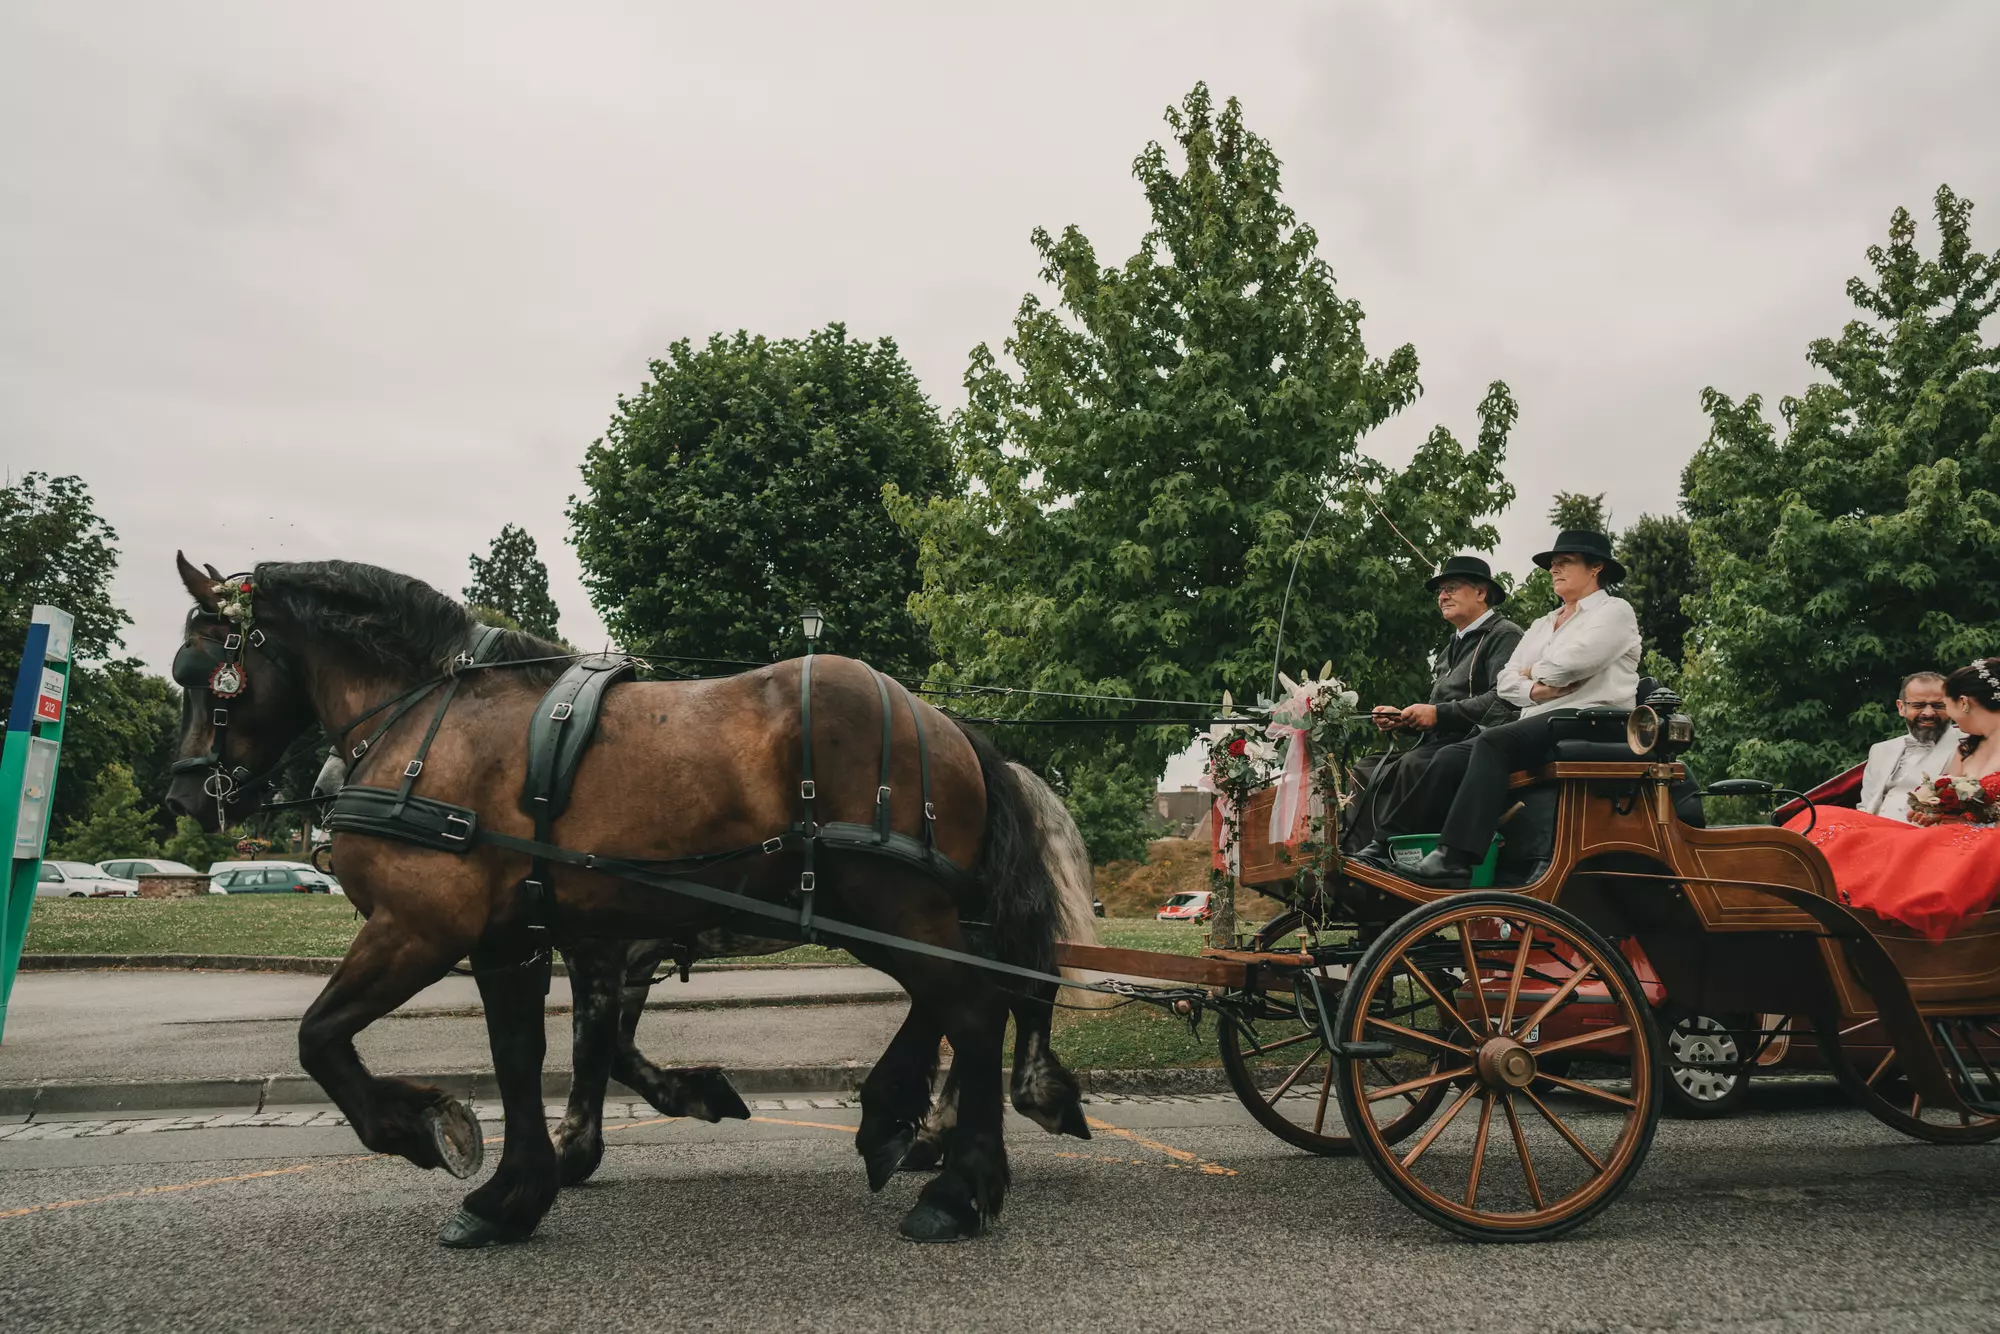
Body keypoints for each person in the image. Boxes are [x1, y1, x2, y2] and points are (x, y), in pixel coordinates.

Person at [1404, 529, 1642, 886]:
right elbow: (1505, 682)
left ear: (1596, 568)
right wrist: (1537, 690)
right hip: (1544, 718)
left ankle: (1457, 857)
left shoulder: (1614, 611)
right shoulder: (1544, 623)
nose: (1554, 570)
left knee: (1493, 742)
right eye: (1552, 565)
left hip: (1596, 718)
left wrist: (1532, 672)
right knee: (1449, 757)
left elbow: (1571, 665)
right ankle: (1393, 847)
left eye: (1565, 563)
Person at [1785, 658, 2000, 940]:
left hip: (1988, 842)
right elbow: (1952, 802)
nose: (1945, 716)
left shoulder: (1956, 743)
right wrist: (1939, 812)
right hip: (1950, 831)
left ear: (1964, 703)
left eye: (1943, 705)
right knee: (1826, 819)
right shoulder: (1967, 748)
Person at [1344, 555, 1523, 858]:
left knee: (1414, 766)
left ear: (1481, 593)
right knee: (1365, 768)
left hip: (1475, 744)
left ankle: (1392, 852)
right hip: (1438, 742)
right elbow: (1434, 714)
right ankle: (1354, 852)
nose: (1442, 596)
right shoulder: (1448, 649)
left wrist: (1438, 714)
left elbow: (1504, 701)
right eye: (1440, 591)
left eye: (1452, 588)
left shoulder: (1504, 634)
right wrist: (1404, 719)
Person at [1858, 672, 1963, 820]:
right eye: (1918, 705)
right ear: (1901, 707)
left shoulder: (1971, 746)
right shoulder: (1879, 750)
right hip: (1872, 830)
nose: (1928, 713)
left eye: (1938, 705)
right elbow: (1866, 805)